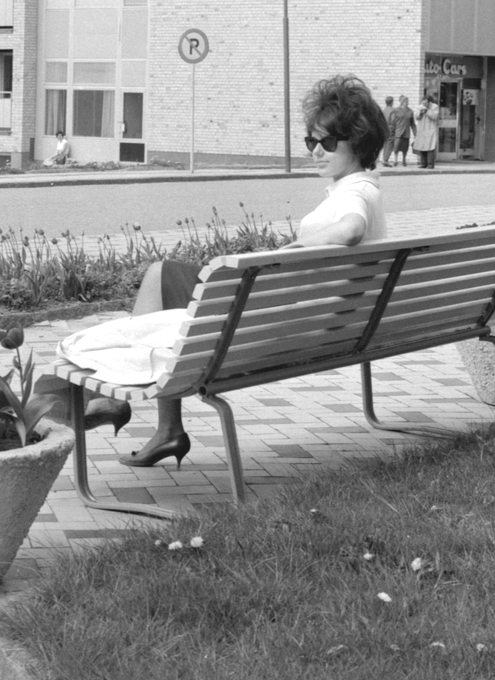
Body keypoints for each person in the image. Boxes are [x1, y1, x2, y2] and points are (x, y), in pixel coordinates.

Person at [56, 75, 389, 468]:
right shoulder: (364, 188)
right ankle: (163, 429)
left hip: (275, 327)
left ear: (359, 142)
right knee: (168, 277)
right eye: (311, 141)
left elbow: (351, 228)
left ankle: (133, 409)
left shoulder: (355, 194)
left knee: (161, 275)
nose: (317, 151)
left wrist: (297, 245)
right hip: (328, 325)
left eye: (329, 142)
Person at [412, 94, 440, 169]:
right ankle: (423, 163)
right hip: (422, 129)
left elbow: (434, 116)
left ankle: (430, 164)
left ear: (429, 102)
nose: (424, 104)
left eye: (425, 103)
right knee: (422, 146)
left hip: (430, 129)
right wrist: (421, 113)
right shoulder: (420, 107)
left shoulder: (434, 106)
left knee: (430, 147)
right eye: (423, 103)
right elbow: (416, 117)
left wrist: (427, 111)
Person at [388, 94, 415, 167]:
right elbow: (393, 121)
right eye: (406, 101)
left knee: (405, 148)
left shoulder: (410, 111)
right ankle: (395, 160)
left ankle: (404, 160)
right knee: (396, 147)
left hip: (406, 132)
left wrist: (415, 133)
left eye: (407, 101)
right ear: (402, 102)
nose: (407, 102)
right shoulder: (396, 110)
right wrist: (392, 131)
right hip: (398, 131)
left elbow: (412, 123)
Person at [380, 96, 396, 166]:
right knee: (390, 144)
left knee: (385, 143)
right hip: (390, 128)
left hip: (384, 128)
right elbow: (393, 120)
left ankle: (384, 158)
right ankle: (385, 159)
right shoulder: (392, 110)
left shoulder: (384, 110)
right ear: (392, 102)